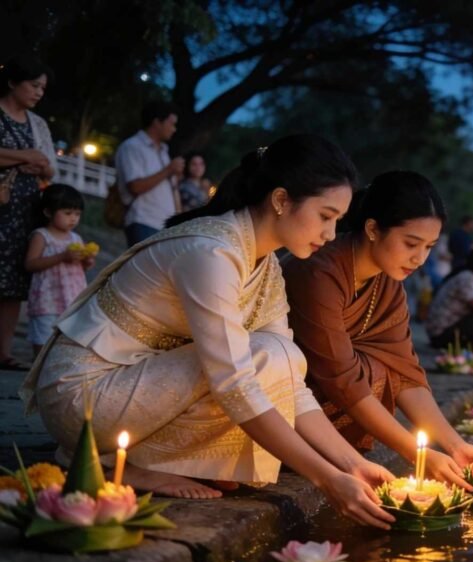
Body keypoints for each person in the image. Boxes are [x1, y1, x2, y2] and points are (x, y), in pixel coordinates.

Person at [21, 134, 395, 529]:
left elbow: (290, 381)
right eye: (325, 215)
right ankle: (119, 461)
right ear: (282, 200)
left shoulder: (264, 265)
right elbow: (233, 381)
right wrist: (327, 479)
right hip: (81, 399)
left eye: (338, 220)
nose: (331, 233)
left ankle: (133, 456)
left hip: (128, 394)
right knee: (263, 357)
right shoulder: (211, 252)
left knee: (284, 357)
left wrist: (352, 465)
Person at [282, 171, 473, 490]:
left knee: (382, 366)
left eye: (430, 247)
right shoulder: (319, 272)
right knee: (370, 369)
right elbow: (341, 377)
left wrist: (454, 445)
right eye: (411, 243)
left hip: (332, 391)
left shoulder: (387, 281)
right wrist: (417, 455)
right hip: (284, 399)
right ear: (373, 228)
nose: (419, 259)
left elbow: (404, 371)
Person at [0, 55, 57, 371]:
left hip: (23, 208)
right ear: (13, 83)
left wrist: (37, 163)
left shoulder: (37, 125)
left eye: (42, 88)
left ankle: (3, 351)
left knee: (13, 283)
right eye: (34, 85)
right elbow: (33, 158)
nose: (38, 93)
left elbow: (49, 166)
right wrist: (25, 157)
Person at [24, 184, 94, 355]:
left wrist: (87, 260)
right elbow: (30, 264)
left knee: (68, 341)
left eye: (77, 214)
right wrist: (61, 257)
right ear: (48, 212)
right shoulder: (41, 236)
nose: (73, 219)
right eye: (68, 213)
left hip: (71, 298)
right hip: (46, 299)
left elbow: (82, 268)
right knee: (44, 340)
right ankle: (39, 372)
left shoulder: (76, 238)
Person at [115, 101, 185, 246]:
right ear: (157, 122)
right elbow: (135, 186)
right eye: (171, 124)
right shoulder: (133, 147)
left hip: (164, 225)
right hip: (143, 220)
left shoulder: (163, 151)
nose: (174, 129)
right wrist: (168, 170)